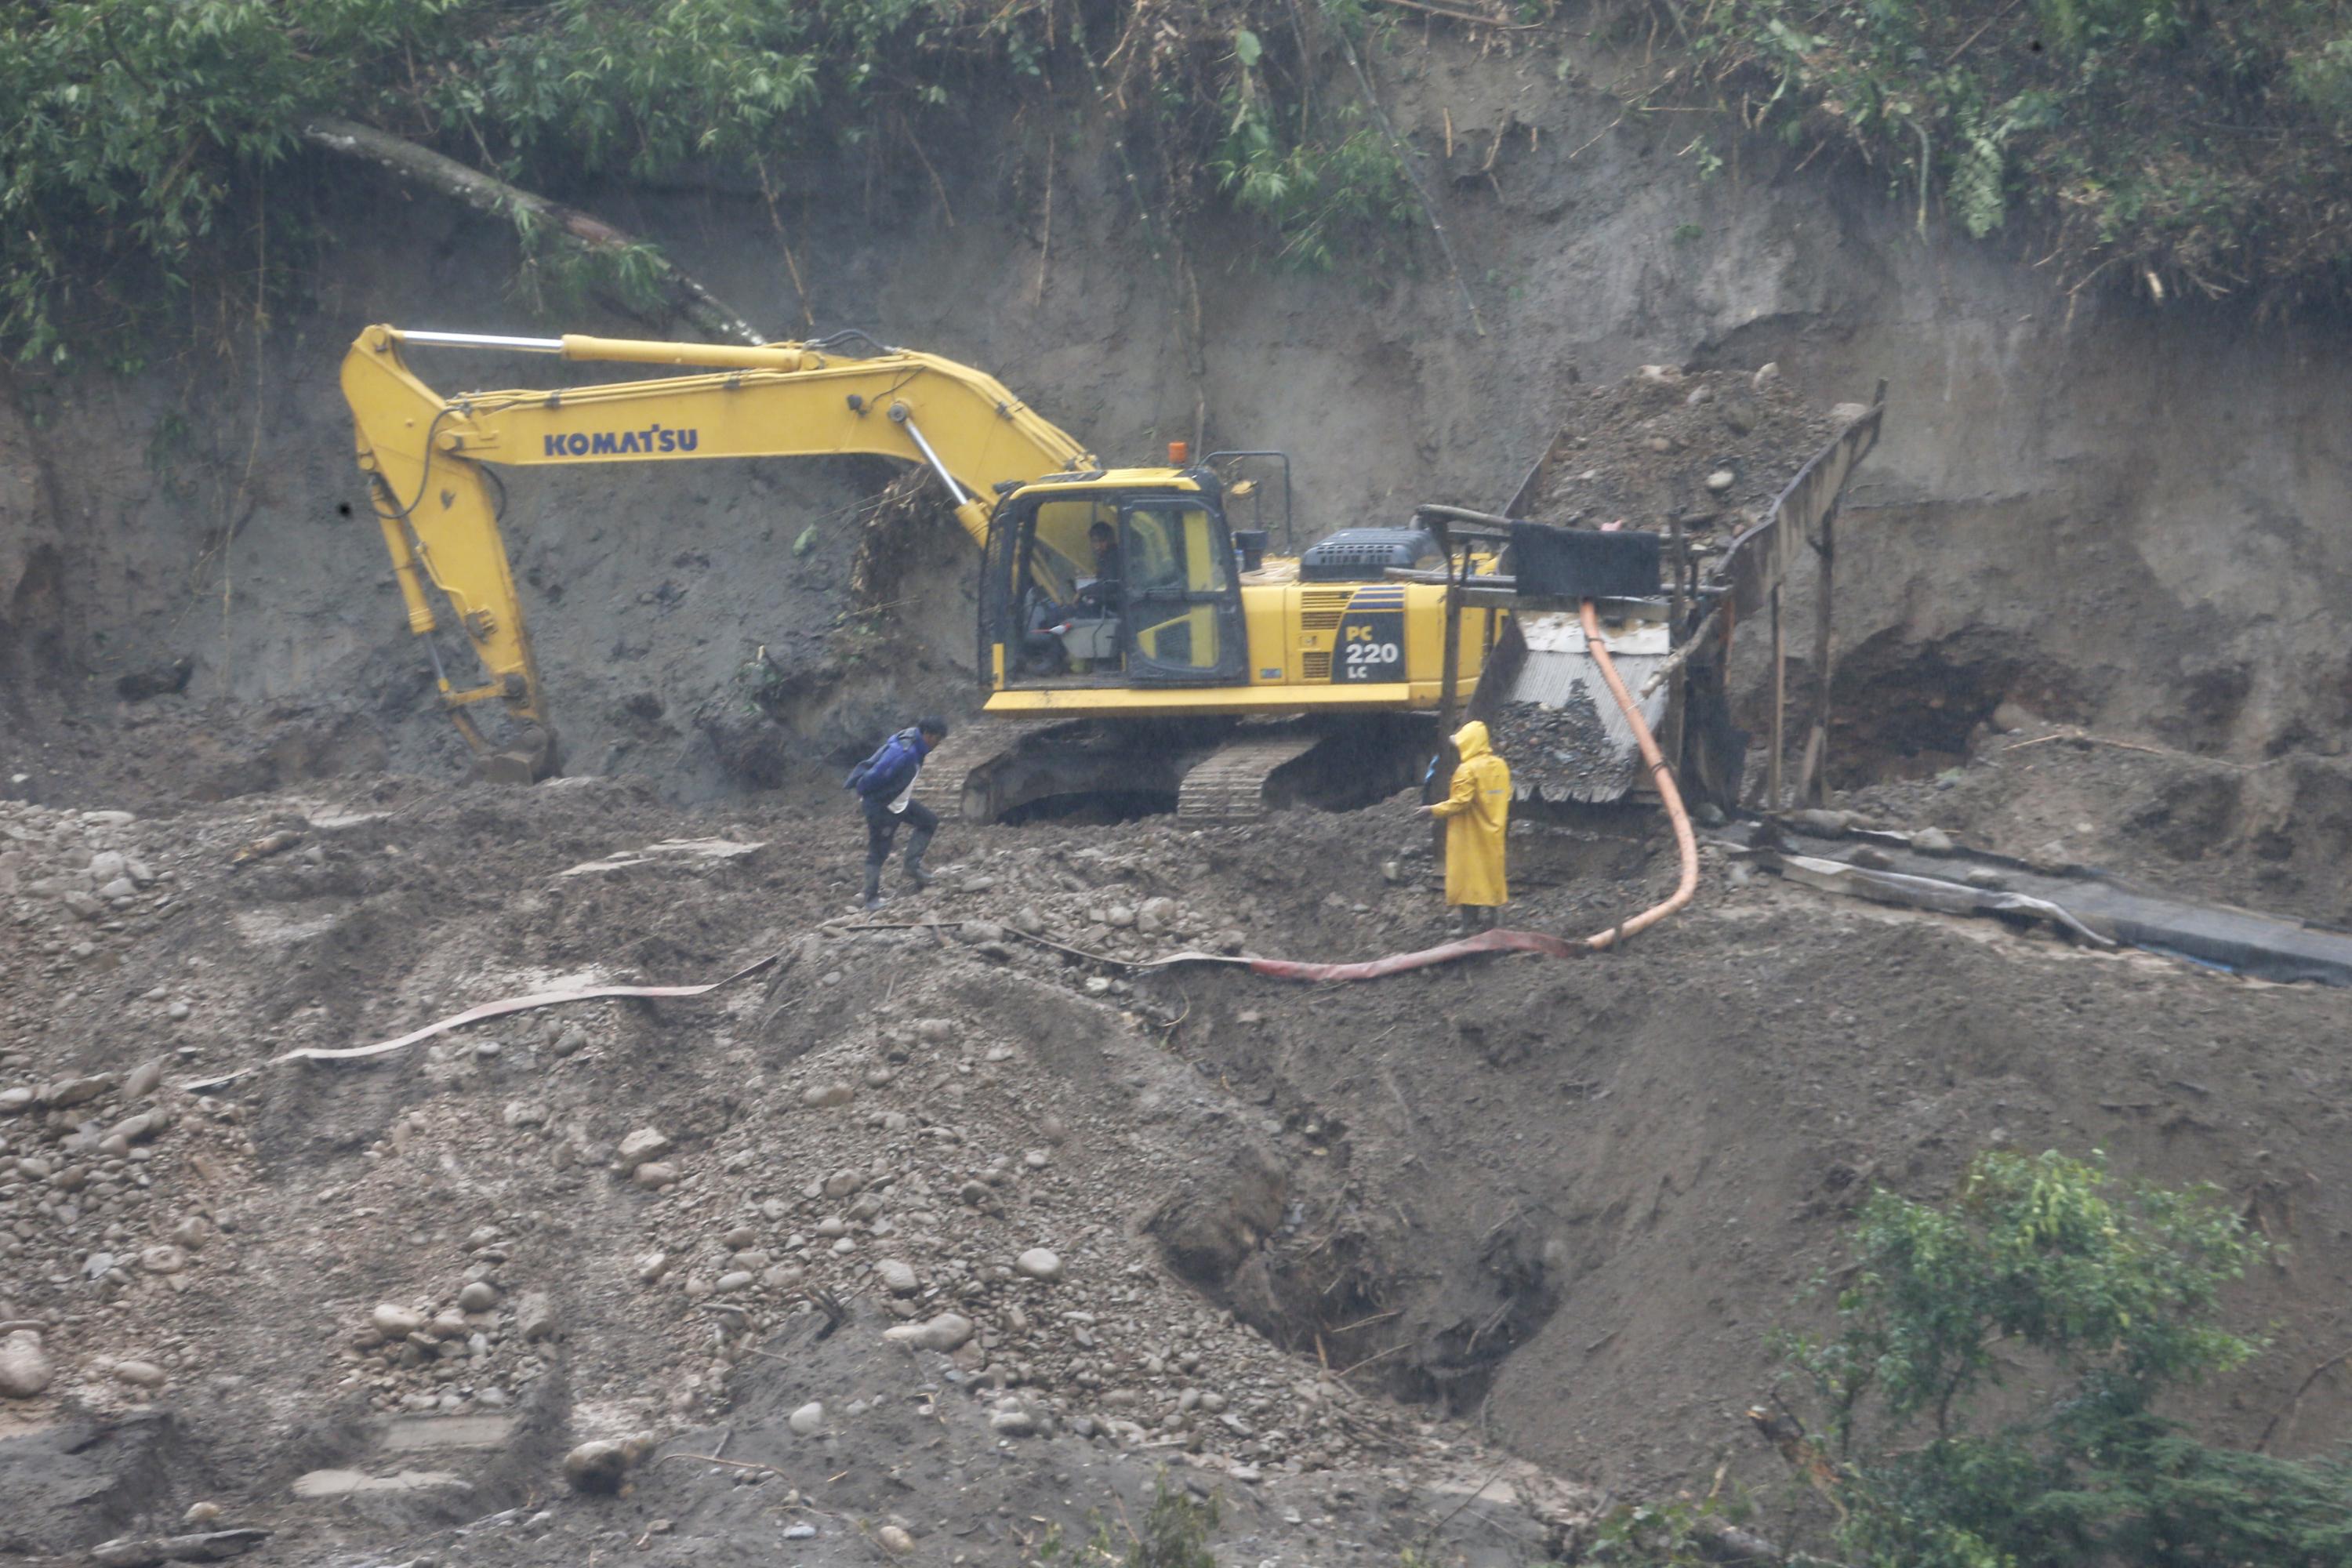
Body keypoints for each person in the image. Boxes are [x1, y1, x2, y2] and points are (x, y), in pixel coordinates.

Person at [845, 716, 949, 909]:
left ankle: (912, 866)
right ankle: (870, 898)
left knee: (929, 822)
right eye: (937, 739)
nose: (938, 744)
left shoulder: (917, 746)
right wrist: (868, 797)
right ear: (928, 735)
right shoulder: (904, 753)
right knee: (878, 851)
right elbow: (874, 776)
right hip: (882, 807)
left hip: (899, 802)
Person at [1420, 720, 1511, 934]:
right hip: (1493, 832)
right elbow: (1504, 795)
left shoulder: (1467, 770)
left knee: (1467, 879)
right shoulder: (1500, 766)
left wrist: (1432, 810)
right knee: (1492, 877)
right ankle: (1497, 925)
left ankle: (1468, 925)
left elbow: (1460, 803)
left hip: (1470, 835)